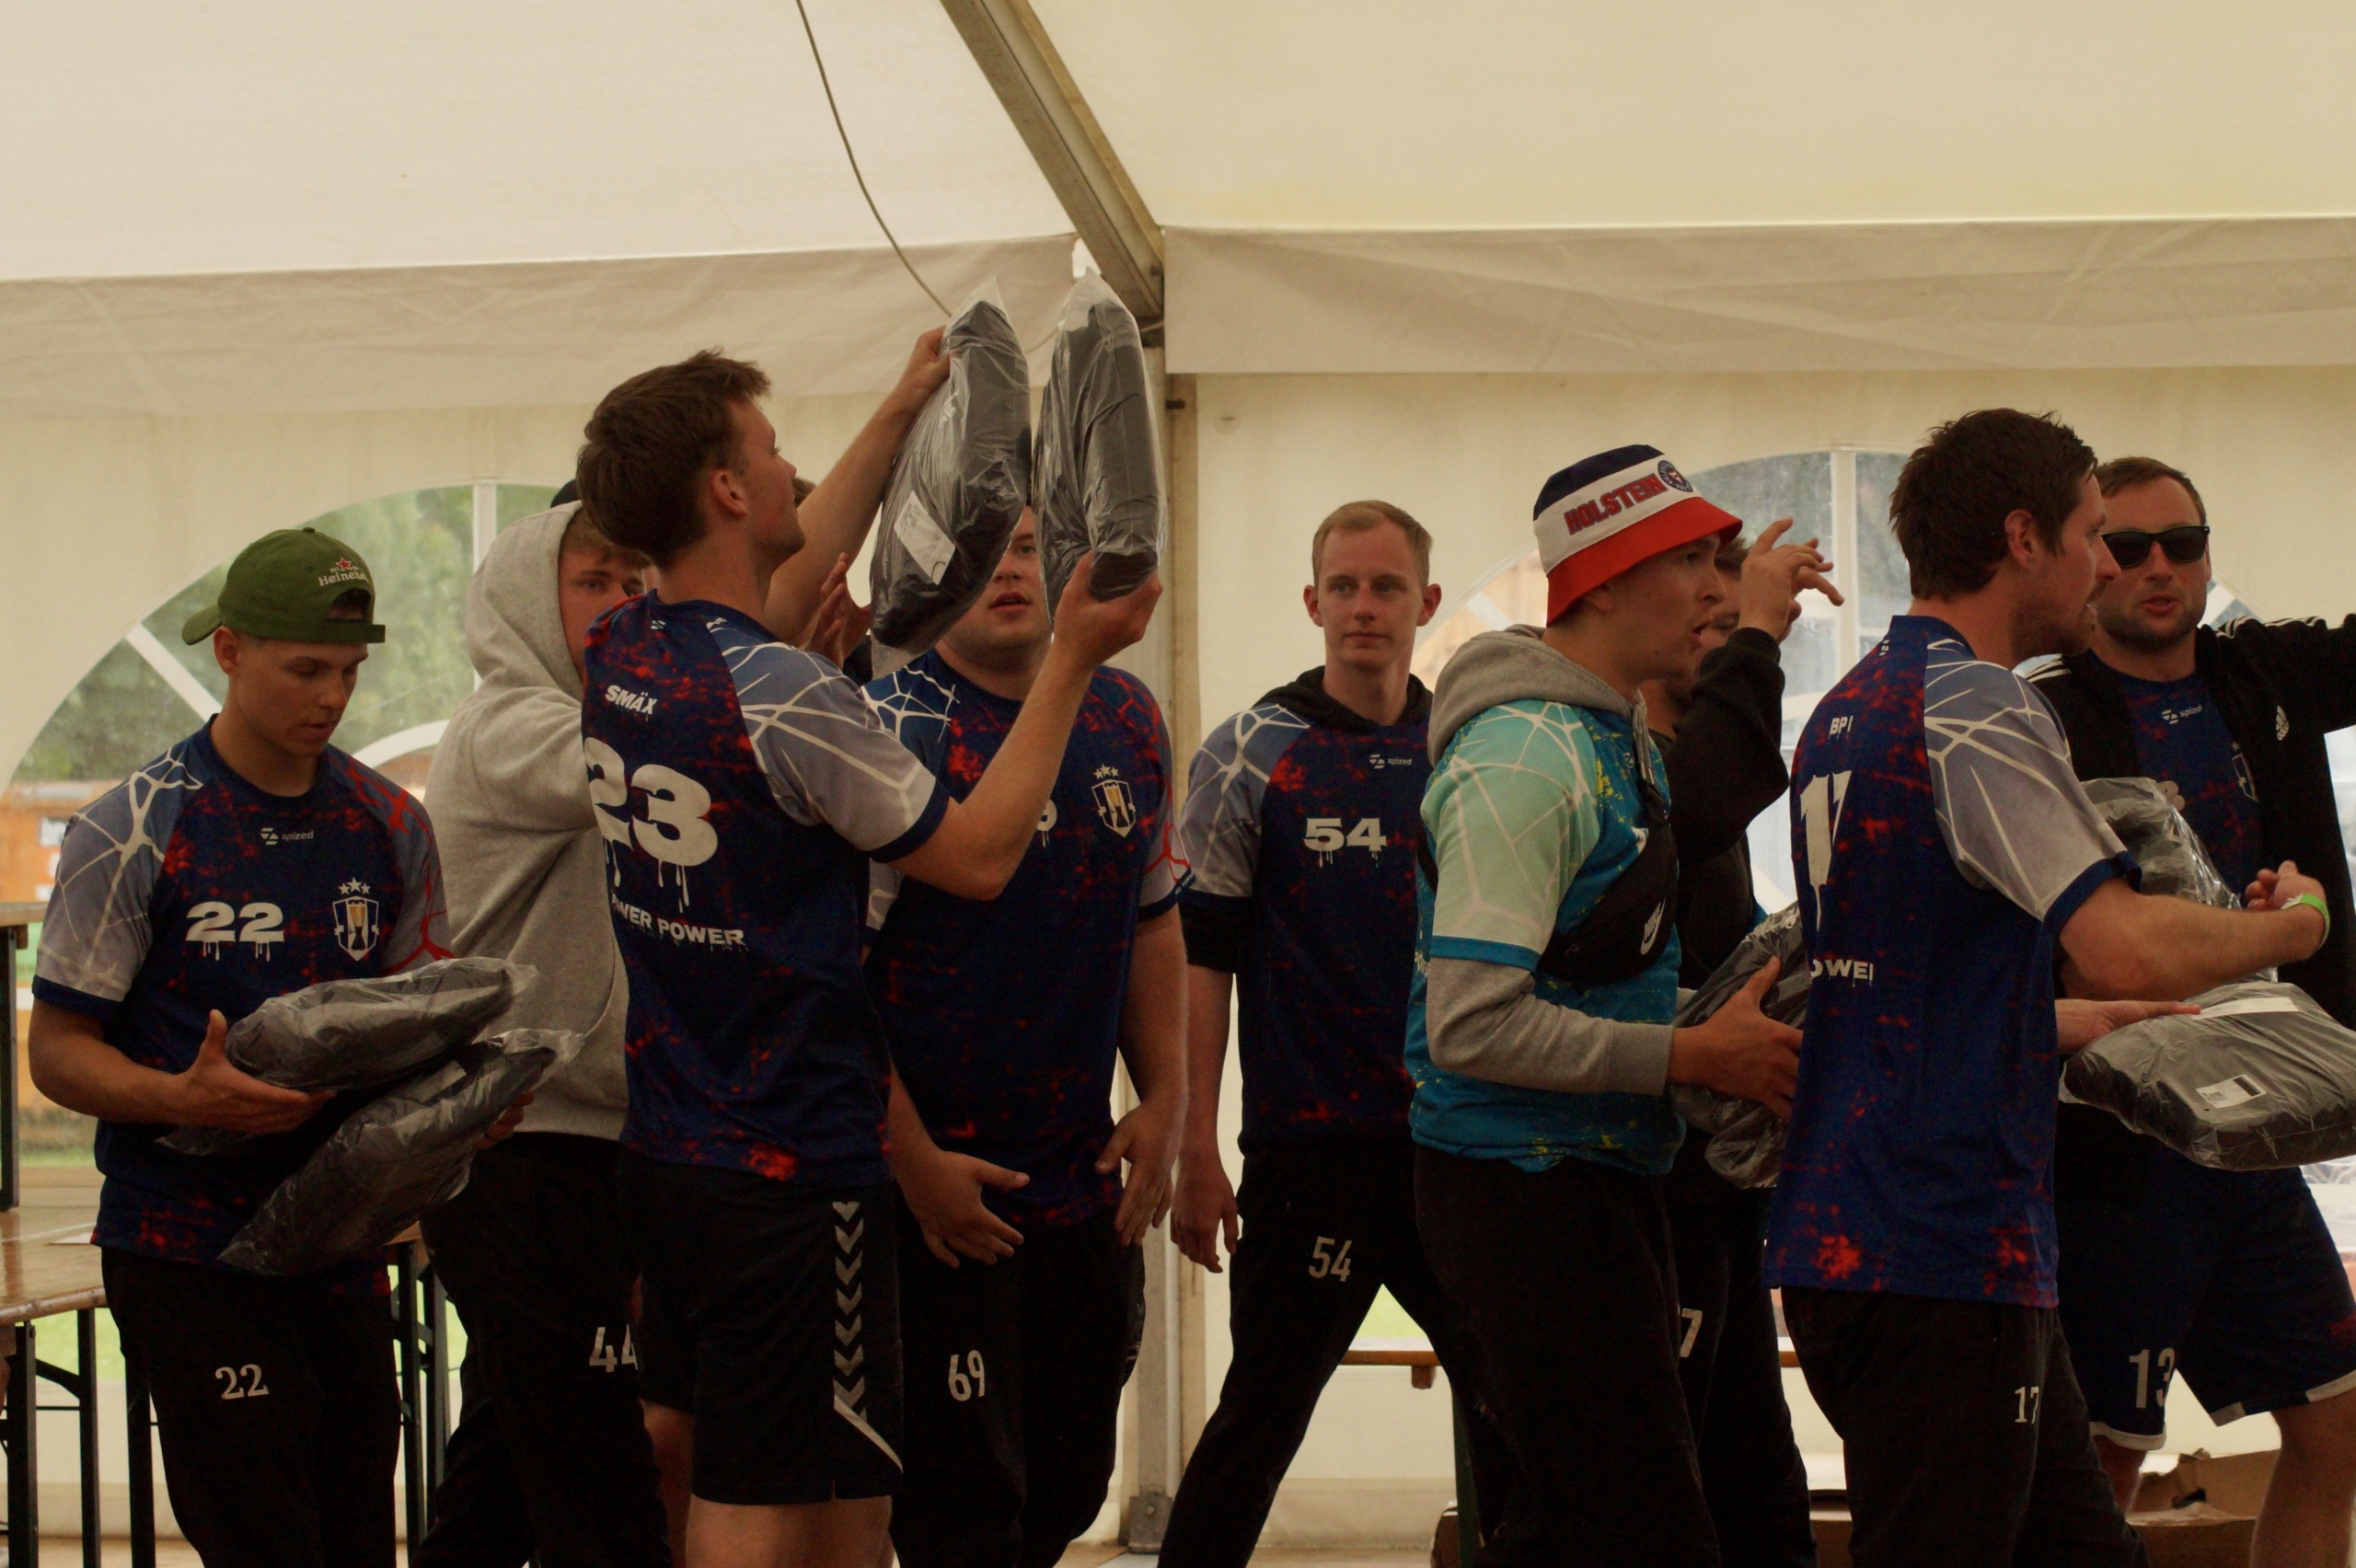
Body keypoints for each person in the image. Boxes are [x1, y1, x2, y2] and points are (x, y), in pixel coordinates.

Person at [574, 348, 1160, 1568]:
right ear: (726, 489)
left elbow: (778, 593)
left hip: (674, 1146)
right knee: (763, 1503)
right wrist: (1072, 658)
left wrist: (904, 406)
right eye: (769, 447)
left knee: (845, 1505)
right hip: (793, 1171)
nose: (791, 465)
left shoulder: (630, 651)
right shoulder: (792, 696)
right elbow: (981, 858)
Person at [1768, 409, 2333, 1568]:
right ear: (2024, 539)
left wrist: (2066, 1017)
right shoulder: (1978, 704)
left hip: (1882, 1229)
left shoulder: (1853, 701)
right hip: (1937, 1241)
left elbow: (1905, 986)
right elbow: (2122, 942)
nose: (2108, 568)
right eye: (2093, 536)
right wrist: (2292, 927)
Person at [26, 527, 469, 1566]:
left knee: (355, 1539)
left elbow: (417, 1024)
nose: (332, 697)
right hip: (187, 1246)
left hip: (338, 1244)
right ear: (227, 651)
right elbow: (56, 1053)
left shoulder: (390, 823)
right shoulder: (133, 826)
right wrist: (182, 1098)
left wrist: (457, 1110)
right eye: (304, 669)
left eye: (349, 672)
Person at [1408, 445, 1806, 1565]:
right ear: (1604, 581)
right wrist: (1690, 1053)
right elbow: (1468, 1024)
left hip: (1597, 1179)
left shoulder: (1608, 736)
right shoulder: (1525, 759)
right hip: (1521, 1193)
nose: (1721, 592)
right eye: (1692, 563)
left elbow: (1596, 978)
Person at [1160, 501, 1525, 1568]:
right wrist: (1192, 1148)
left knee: (1514, 1415)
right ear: (1312, 603)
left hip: (1457, 1150)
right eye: (1345, 587)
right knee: (1260, 1418)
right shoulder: (1249, 752)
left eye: (1386, 587)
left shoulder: (1471, 749)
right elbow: (1200, 959)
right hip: (1308, 1158)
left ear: (1427, 601)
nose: (1365, 607)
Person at [2027, 455, 2356, 1567]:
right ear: (2085, 562)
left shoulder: (2259, 669)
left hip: (2253, 1126)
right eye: (2126, 548)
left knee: (2335, 1430)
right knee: (2100, 1466)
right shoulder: (2038, 714)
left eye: (2184, 544)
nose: (2158, 568)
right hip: (2118, 1144)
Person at [864, 510, 1184, 1568]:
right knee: (958, 1514)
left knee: (1067, 1489)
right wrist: (914, 1163)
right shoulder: (887, 726)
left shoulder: (1127, 715)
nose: (1008, 571)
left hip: (1079, 1185)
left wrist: (1167, 1098)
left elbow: (1153, 920)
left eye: (1028, 548)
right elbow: (824, 982)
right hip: (934, 1201)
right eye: (982, 550)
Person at [413, 492, 672, 1568]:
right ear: (527, 596)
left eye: (636, 583)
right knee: (601, 1490)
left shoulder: (619, 723)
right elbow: (644, 767)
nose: (618, 603)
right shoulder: (511, 726)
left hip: (602, 1145)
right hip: (519, 1149)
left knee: (506, 1479)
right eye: (591, 581)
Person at [1638, 521, 1836, 1568]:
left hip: (1714, 1180)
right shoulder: (1615, 764)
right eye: (1696, 580)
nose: (1716, 600)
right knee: (1658, 1481)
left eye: (1726, 577)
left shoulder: (1688, 761)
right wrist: (1757, 628)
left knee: (1755, 1469)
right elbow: (1704, 799)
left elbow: (1729, 944)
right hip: (1633, 1180)